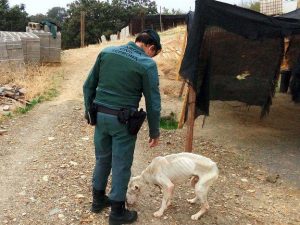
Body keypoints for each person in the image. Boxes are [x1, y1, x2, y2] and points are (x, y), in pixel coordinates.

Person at [83, 29, 162, 225]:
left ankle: (98, 200)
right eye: (155, 53)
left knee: (102, 159)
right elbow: (153, 102)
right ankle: (117, 212)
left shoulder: (106, 52)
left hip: (100, 116)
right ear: (151, 47)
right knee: (121, 165)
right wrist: (154, 131)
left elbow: (88, 86)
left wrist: (89, 112)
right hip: (123, 122)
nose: (152, 57)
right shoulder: (147, 64)